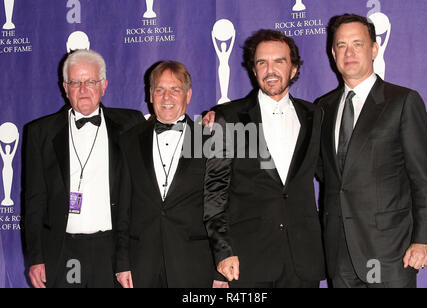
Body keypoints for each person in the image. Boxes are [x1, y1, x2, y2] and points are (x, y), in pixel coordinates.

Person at [316, 14, 427, 288]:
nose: (349, 52)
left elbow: (423, 179)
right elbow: (324, 170)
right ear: (333, 52)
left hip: (391, 252)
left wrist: (423, 238)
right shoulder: (322, 108)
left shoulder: (403, 102)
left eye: (357, 44)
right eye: (341, 45)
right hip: (340, 253)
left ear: (374, 49)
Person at [203, 29, 325, 288]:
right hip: (248, 262)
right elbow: (215, 192)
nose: (270, 69)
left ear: (293, 68)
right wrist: (223, 251)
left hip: (302, 261)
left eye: (279, 61)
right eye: (262, 62)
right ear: (254, 70)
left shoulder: (315, 116)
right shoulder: (228, 118)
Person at [24, 49, 145, 288]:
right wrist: (36, 258)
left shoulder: (131, 124)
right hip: (62, 250)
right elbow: (34, 201)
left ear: (104, 85)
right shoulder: (40, 133)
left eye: (90, 81)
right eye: (75, 82)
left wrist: (211, 122)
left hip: (113, 249)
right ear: (64, 88)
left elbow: (169, 133)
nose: (83, 89)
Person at [115, 61, 223, 288]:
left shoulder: (209, 140)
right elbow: (122, 207)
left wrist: (219, 270)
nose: (167, 97)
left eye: (175, 90)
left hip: (195, 264)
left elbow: (222, 208)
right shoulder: (129, 140)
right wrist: (122, 262)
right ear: (150, 95)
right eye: (160, 90)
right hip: (140, 264)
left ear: (188, 95)